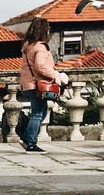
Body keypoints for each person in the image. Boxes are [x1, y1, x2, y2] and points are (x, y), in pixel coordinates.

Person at [16, 17, 67, 152]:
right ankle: (30, 142)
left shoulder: (28, 46)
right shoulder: (40, 47)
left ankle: (27, 136)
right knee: (38, 113)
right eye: (48, 28)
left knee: (41, 112)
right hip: (36, 85)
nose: (49, 31)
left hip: (27, 84)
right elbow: (40, 67)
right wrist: (55, 75)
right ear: (43, 30)